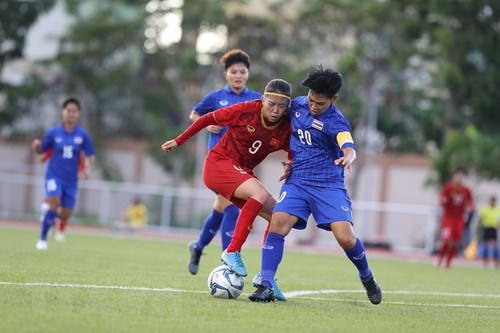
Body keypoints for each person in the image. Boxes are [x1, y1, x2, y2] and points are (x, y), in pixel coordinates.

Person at [248, 65, 383, 305]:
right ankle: (266, 283)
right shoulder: (298, 105)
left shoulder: (337, 122)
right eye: (311, 99)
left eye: (319, 103)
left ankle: (367, 276)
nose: (313, 106)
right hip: (298, 182)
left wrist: (349, 156)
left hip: (328, 185)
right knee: (278, 223)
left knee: (345, 238)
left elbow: (347, 144)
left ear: (334, 99)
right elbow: (271, 109)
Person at [161, 78, 292, 301]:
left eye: (281, 106)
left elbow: (294, 150)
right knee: (259, 194)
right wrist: (179, 140)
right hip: (218, 164)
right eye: (271, 104)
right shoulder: (245, 110)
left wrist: (291, 162)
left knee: (278, 218)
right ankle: (232, 251)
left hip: (242, 172)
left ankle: (266, 279)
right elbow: (206, 118)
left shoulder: (285, 126)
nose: (275, 110)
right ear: (262, 99)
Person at [186, 49, 261, 276]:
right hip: (218, 162)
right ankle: (229, 259)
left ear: (247, 74)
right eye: (234, 71)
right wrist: (207, 124)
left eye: (242, 71)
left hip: (243, 162)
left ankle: (198, 247)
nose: (238, 75)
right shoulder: (215, 97)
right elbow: (194, 115)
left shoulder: (256, 98)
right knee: (232, 209)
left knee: (221, 209)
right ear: (226, 74)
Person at [31, 97, 95, 250]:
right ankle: (42, 240)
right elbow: (42, 149)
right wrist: (36, 147)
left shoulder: (83, 135)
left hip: (71, 180)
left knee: (66, 213)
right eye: (68, 110)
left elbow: (90, 154)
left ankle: (50, 217)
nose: (71, 114)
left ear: (78, 114)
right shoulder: (53, 133)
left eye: (74, 111)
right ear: (63, 112)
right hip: (54, 175)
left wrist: (87, 169)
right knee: (53, 200)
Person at [38, 149, 85, 241]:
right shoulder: (56, 144)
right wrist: (40, 152)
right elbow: (43, 157)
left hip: (69, 182)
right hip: (55, 178)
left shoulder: (77, 151)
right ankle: (47, 225)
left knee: (65, 210)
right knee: (53, 201)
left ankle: (59, 230)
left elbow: (81, 167)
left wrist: (82, 172)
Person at [435, 167, 474, 269]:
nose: (459, 179)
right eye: (458, 177)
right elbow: (441, 198)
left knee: (455, 242)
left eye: (461, 177)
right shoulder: (448, 188)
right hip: (448, 218)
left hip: (459, 219)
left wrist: (469, 207)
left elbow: (470, 202)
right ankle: (439, 259)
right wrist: (442, 201)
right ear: (454, 177)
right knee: (447, 240)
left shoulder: (466, 190)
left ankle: (448, 263)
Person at [478, 195, 500, 268]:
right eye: (492, 200)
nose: (493, 202)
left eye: (494, 201)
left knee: (495, 246)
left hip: (494, 229)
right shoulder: (485, 209)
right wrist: (480, 227)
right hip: (486, 228)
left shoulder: (498, 210)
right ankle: (485, 262)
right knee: (485, 245)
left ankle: (496, 262)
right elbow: (481, 218)